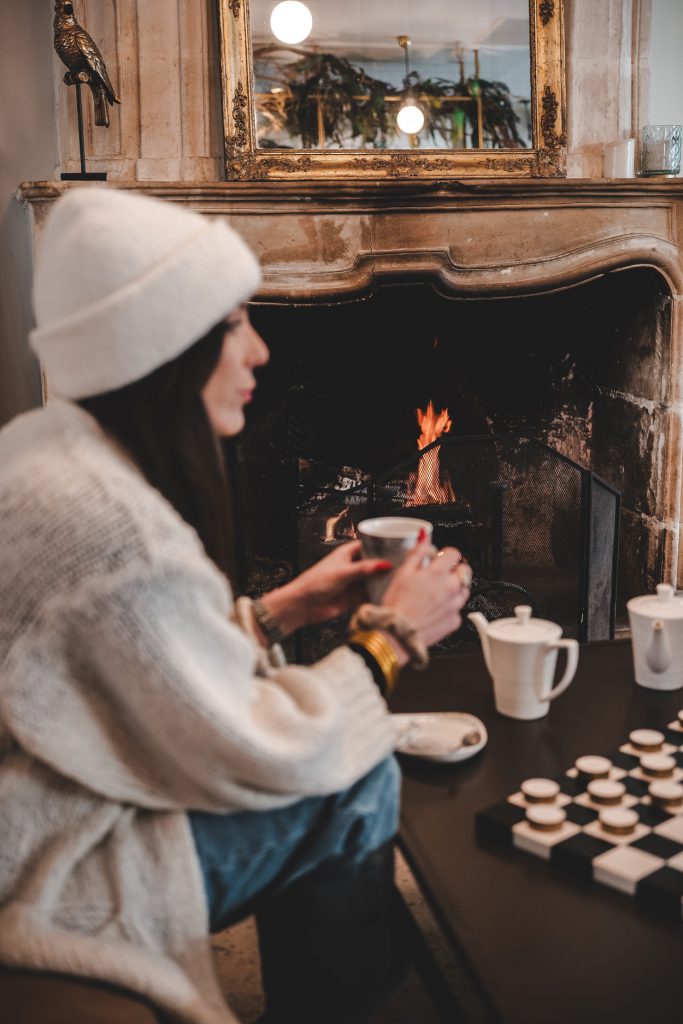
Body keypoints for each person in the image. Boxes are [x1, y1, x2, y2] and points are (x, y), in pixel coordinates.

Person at [0, 188, 470, 1024]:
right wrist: (390, 635)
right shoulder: (110, 527)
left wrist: (279, 610)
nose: (258, 351)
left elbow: (143, 676)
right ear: (162, 345)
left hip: (39, 806)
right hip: (49, 856)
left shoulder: (47, 450)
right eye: (231, 325)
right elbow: (267, 751)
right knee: (350, 783)